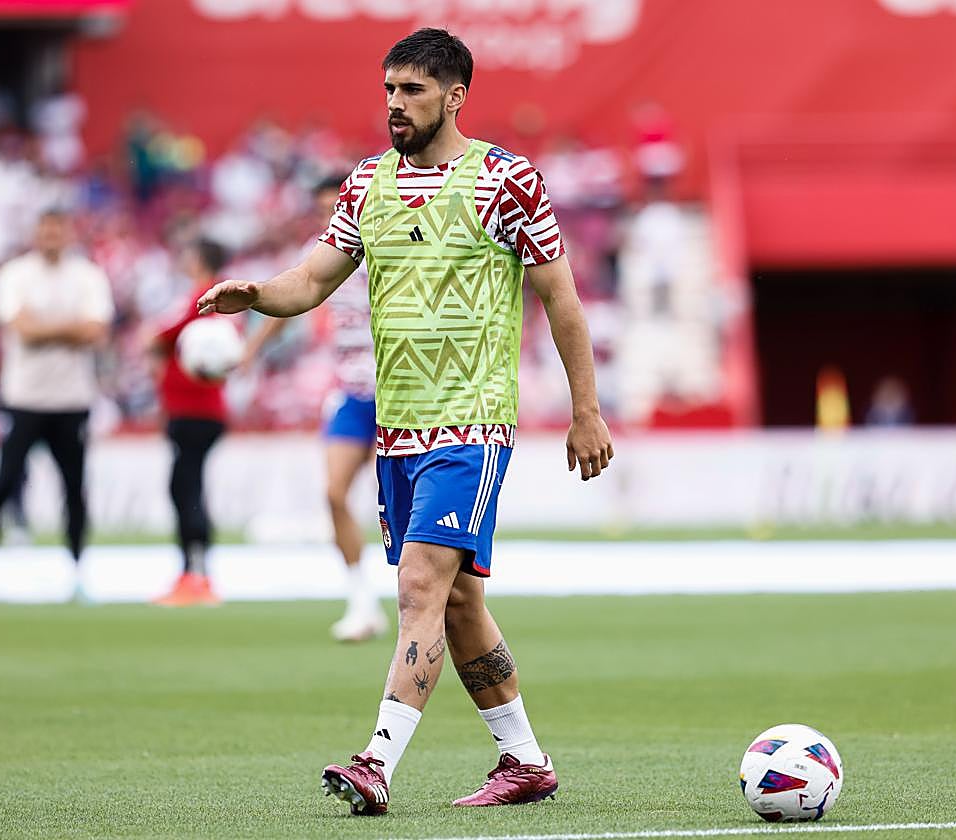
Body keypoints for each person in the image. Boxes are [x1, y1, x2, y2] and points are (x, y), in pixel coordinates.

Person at [199, 29, 614, 815]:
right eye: (389, 88)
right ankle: (526, 761)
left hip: (472, 423)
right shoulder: (367, 184)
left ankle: (376, 762)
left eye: (412, 90)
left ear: (454, 97)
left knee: (420, 584)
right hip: (397, 430)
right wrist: (257, 295)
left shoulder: (506, 181)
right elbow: (311, 279)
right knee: (457, 604)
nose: (395, 103)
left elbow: (560, 298)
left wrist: (585, 410)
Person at [248, 175, 387, 641]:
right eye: (324, 208)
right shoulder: (323, 250)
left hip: (400, 393)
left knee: (399, 506)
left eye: (337, 205)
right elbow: (296, 295)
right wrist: (250, 350)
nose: (331, 214)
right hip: (352, 392)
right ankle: (361, 599)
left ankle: (419, 597)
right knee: (333, 493)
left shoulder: (388, 242)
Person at [0, 209, 113, 604]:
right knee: (5, 481)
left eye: (58, 229)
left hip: (72, 398)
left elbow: (95, 331)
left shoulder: (88, 276)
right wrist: (70, 328)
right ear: (36, 234)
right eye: (45, 230)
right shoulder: (15, 275)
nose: (51, 236)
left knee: (74, 488)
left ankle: (78, 570)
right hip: (24, 398)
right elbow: (22, 329)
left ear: (68, 233)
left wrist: (44, 328)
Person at [148, 240, 231, 607]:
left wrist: (154, 341)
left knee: (186, 487)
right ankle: (195, 571)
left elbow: (166, 334)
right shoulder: (207, 299)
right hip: (194, 411)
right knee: (187, 486)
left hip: (195, 411)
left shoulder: (205, 298)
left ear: (199, 260)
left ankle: (194, 574)